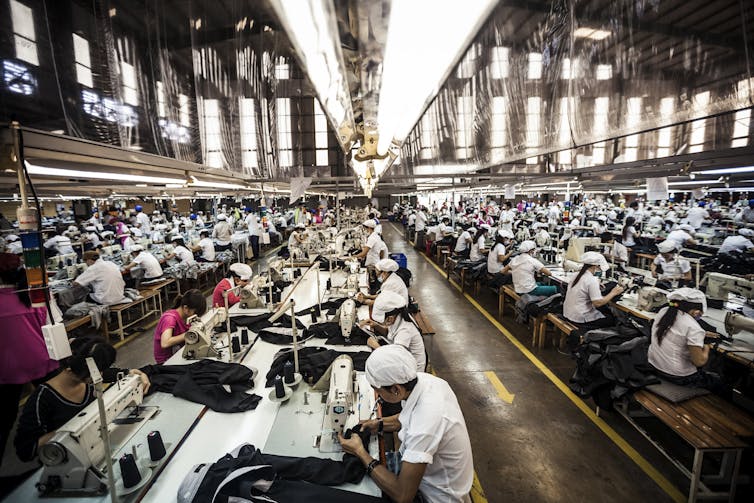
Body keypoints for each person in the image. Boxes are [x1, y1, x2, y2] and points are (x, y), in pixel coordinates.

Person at [337, 345, 473, 503]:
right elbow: (408, 416)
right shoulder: (427, 381)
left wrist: (360, 452)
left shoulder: (426, 423)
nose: (378, 395)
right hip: (431, 478)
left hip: (435, 497)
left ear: (396, 390)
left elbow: (403, 495)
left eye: (378, 391)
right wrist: (379, 424)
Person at [14, 336, 149, 462]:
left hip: (96, 450)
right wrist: (70, 430)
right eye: (98, 371)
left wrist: (133, 373)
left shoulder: (86, 379)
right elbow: (25, 450)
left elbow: (108, 374)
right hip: (68, 462)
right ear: (85, 369)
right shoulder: (42, 399)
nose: (101, 375)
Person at [0, 253, 59, 466]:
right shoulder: (32, 295)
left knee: (5, 420)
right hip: (40, 358)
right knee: (55, 407)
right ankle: (61, 450)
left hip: (8, 368)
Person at [647, 288, 720, 388]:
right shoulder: (693, 327)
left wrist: (701, 334)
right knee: (718, 381)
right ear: (696, 311)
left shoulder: (664, 312)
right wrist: (707, 345)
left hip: (653, 365)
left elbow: (677, 330)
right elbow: (699, 362)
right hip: (677, 376)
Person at [364, 292, 426, 372]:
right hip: (403, 359)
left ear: (390, 318)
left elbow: (395, 360)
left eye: (381, 321)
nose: (381, 323)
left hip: (412, 371)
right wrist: (376, 325)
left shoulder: (405, 331)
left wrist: (376, 346)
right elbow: (389, 332)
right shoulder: (399, 317)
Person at [563, 252, 624, 331]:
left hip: (568, 313)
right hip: (579, 319)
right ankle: (595, 341)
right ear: (596, 266)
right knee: (612, 320)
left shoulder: (576, 275)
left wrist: (596, 286)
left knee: (604, 312)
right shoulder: (592, 280)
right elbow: (598, 303)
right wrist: (613, 293)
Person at [154, 289, 207, 364]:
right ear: (186, 308)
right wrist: (189, 334)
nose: (196, 316)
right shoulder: (169, 318)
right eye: (195, 313)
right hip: (166, 361)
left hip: (179, 354)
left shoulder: (187, 318)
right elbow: (165, 343)